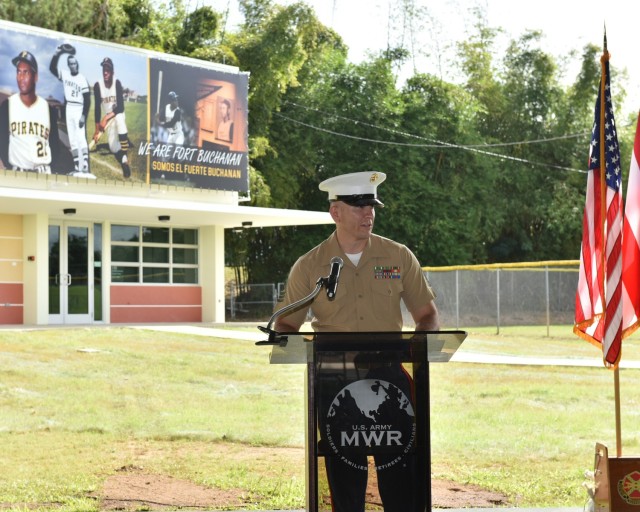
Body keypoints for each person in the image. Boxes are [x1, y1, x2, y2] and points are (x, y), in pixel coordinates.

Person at [274, 171, 439, 512]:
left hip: (389, 381)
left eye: (372, 205)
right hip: (336, 382)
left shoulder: (398, 256)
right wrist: (287, 336)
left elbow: (427, 314)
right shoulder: (311, 266)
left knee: (399, 472)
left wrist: (416, 348)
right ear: (336, 212)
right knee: (345, 478)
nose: (369, 214)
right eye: (359, 206)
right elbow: (287, 323)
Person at [0, 50, 61, 173]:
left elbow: (55, 146)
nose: (21, 77)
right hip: (17, 173)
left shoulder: (48, 109)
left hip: (44, 173)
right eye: (18, 72)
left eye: (26, 72)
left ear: (35, 77)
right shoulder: (8, 105)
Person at [49, 45, 92, 177]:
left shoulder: (82, 78)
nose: (73, 66)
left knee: (80, 137)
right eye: (71, 64)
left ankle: (84, 164)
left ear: (77, 64)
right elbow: (52, 68)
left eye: (74, 63)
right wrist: (58, 53)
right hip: (69, 108)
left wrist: (84, 115)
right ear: (68, 65)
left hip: (78, 107)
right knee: (72, 139)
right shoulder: (66, 75)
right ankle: (77, 165)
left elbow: (87, 99)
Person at [93, 57, 131, 178]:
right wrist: (96, 129)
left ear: (112, 72)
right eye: (104, 68)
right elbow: (97, 108)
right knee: (113, 148)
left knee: (120, 119)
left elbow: (121, 107)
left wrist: (105, 118)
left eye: (108, 69)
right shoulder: (97, 85)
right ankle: (121, 145)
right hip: (109, 121)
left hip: (116, 114)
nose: (105, 72)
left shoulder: (117, 83)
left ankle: (124, 159)